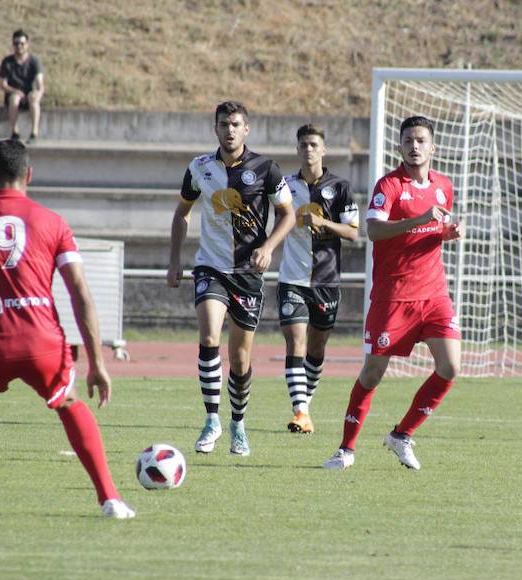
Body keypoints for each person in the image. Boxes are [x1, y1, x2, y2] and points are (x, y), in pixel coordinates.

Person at [0, 139, 134, 518]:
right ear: (29, 175)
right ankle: (110, 500)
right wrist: (98, 362)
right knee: (68, 401)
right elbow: (81, 296)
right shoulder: (52, 222)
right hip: (43, 344)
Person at [322, 115, 465, 471]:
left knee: (450, 366)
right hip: (393, 296)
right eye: (408, 141)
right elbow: (373, 230)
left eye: (421, 141)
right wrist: (419, 221)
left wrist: (446, 233)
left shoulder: (443, 186)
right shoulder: (388, 186)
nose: (414, 147)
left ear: (433, 147)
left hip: (434, 293)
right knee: (372, 373)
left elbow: (432, 229)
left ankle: (401, 435)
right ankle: (346, 449)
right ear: (399, 147)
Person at [167, 100, 295, 456]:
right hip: (211, 267)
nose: (230, 129)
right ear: (215, 128)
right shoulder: (199, 167)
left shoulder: (266, 168)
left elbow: (288, 216)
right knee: (209, 336)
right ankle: (212, 421)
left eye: (236, 124)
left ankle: (238, 423)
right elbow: (181, 214)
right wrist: (174, 260)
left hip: (249, 274)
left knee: (240, 358)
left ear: (246, 129)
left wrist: (269, 247)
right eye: (224, 124)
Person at [278, 124, 358, 434]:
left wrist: (322, 221)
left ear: (323, 150)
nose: (308, 149)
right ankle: (301, 411)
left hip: (326, 280)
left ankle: (304, 405)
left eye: (313, 144)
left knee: (316, 348)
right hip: (292, 278)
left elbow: (353, 232)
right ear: (297, 150)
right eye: (303, 145)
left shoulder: (339, 186)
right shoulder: (285, 185)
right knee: (295, 343)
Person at [0, 29, 44, 143]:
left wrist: (38, 93)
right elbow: (2, 84)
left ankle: (34, 133)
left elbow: (40, 83)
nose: (19, 46)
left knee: (33, 99)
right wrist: (15, 91)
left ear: (27, 45)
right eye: (16, 43)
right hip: (14, 93)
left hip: (29, 94)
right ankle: (15, 132)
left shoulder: (34, 61)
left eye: (22, 43)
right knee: (14, 99)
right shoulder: (7, 62)